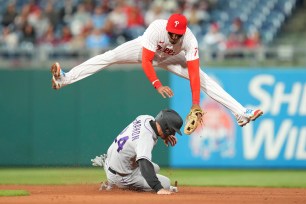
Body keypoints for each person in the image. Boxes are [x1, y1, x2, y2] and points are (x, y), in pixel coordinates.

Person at [51, 13, 263, 127]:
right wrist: (157, 84)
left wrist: (196, 103)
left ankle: (240, 112)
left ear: (183, 32)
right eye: (172, 32)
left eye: (177, 34)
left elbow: (194, 73)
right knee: (109, 57)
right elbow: (146, 61)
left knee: (204, 78)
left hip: (171, 58)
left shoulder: (190, 40)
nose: (173, 36)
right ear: (168, 28)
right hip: (146, 50)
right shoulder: (156, 28)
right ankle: (65, 79)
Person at [91, 109, 183, 194]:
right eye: (172, 130)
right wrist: (159, 188)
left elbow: (143, 135)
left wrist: (164, 136)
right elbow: (144, 163)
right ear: (165, 127)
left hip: (113, 160)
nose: (172, 133)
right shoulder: (145, 138)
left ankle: (108, 165)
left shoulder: (146, 118)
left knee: (156, 168)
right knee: (165, 183)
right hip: (122, 176)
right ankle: (113, 185)